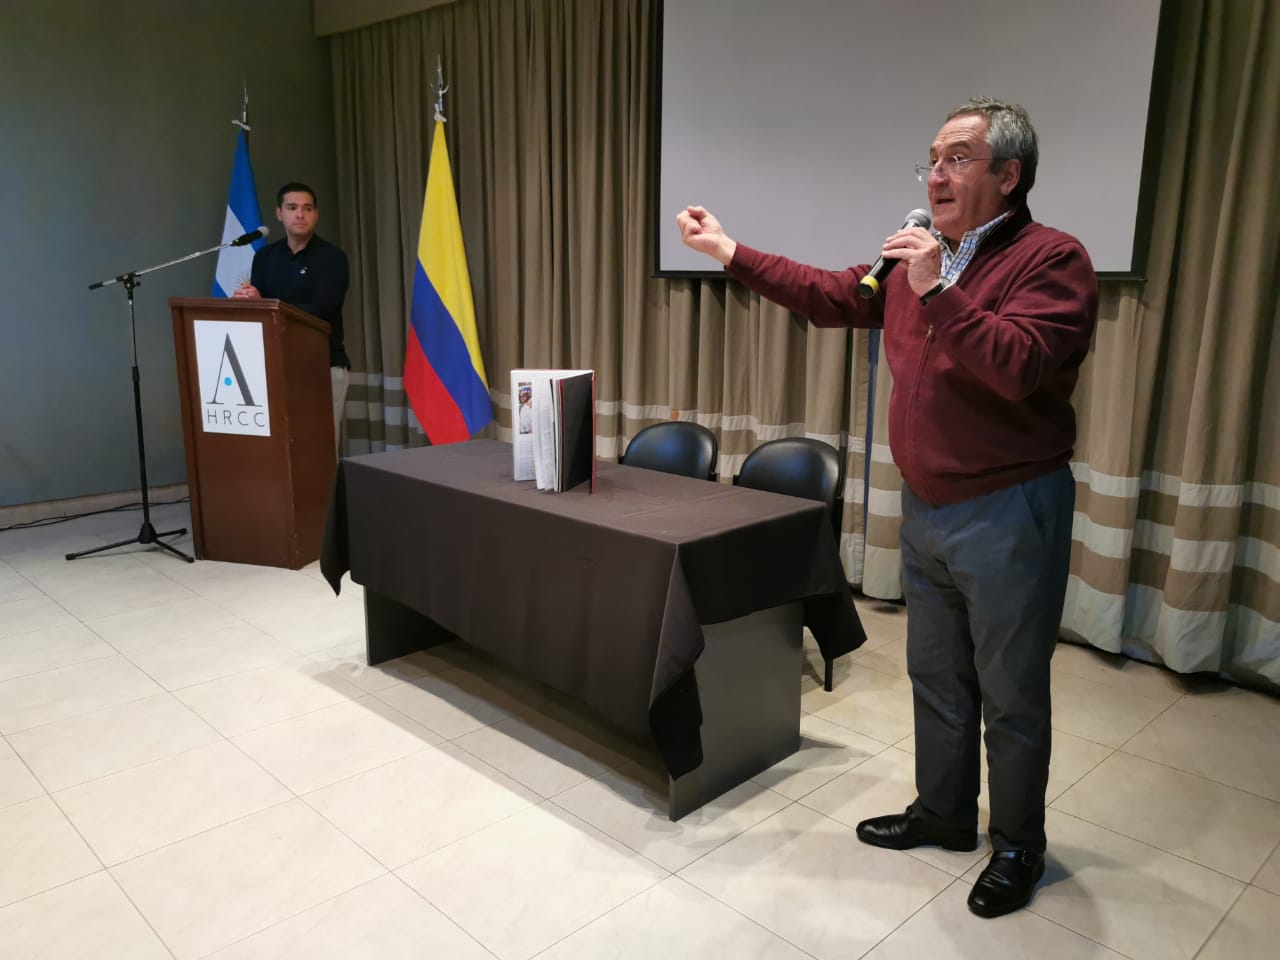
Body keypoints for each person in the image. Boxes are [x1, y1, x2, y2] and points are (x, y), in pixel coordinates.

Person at [677, 97, 1097, 918]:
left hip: (1011, 507)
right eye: (931, 159)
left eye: (958, 158)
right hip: (929, 507)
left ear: (1009, 176)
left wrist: (937, 289)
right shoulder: (919, 258)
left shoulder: (1054, 260)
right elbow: (831, 294)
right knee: (935, 675)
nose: (936, 174)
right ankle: (943, 813)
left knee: (1011, 690)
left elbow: (1018, 366)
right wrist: (729, 251)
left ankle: (1017, 843)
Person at [234, 182, 350, 454]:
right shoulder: (264, 257)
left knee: (319, 450)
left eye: (307, 208)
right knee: (281, 449)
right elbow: (260, 312)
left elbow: (323, 307)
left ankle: (327, 500)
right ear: (279, 214)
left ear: (316, 215)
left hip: (322, 365)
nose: (300, 214)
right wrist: (250, 301)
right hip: (274, 365)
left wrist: (267, 303)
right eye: (292, 208)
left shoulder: (332, 258)